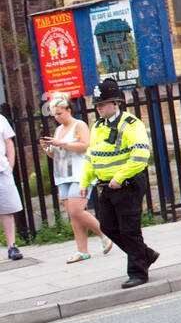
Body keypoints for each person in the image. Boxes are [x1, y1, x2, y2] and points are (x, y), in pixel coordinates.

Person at [79, 78, 158, 288]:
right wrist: (84, 181)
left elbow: (140, 155)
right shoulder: (97, 126)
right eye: (96, 104)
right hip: (107, 185)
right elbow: (91, 156)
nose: (98, 108)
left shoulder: (131, 124)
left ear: (115, 103)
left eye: (102, 104)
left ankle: (138, 272)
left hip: (129, 183)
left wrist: (120, 177)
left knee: (129, 229)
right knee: (107, 226)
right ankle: (145, 254)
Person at [41, 92, 110, 261]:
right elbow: (55, 155)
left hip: (80, 172)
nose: (57, 117)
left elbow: (85, 146)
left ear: (68, 110)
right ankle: (82, 250)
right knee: (74, 214)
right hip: (63, 174)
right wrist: (48, 148)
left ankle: (105, 235)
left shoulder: (79, 125)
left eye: (59, 113)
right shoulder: (58, 130)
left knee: (76, 209)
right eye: (54, 114)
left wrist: (63, 143)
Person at [1, 112, 22, 260]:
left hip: (2, 169)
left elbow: (9, 142)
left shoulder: (0, 119)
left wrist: (10, 165)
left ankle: (12, 245)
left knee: (7, 209)